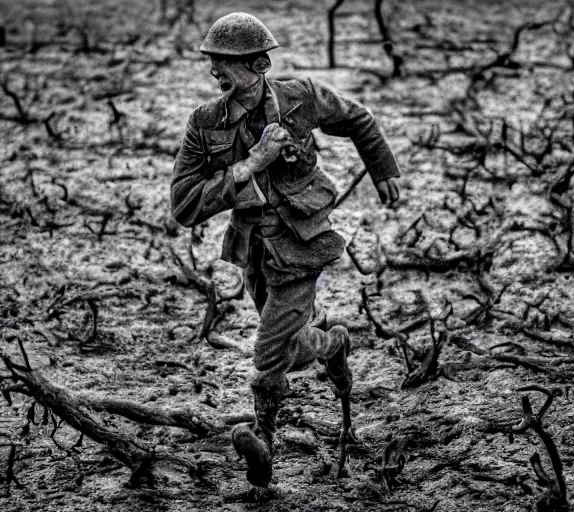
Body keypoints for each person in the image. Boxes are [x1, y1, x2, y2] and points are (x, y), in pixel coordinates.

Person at [170, 12, 401, 487]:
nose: (216, 72)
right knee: (292, 348)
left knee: (267, 356)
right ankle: (333, 343)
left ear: (258, 64)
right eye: (212, 62)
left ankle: (264, 453)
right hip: (251, 247)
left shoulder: (301, 98)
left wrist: (382, 171)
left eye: (226, 63)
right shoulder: (204, 123)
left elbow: (358, 118)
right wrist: (247, 167)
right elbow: (183, 205)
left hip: (303, 244)